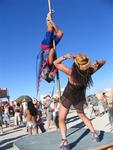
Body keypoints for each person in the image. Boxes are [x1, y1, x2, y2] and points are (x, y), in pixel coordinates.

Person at [54, 53, 105, 149]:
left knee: (61, 119)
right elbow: (103, 62)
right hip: (79, 97)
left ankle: (64, 141)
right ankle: (94, 133)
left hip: (68, 96)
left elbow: (55, 63)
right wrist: (97, 63)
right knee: (82, 115)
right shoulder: (89, 72)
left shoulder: (70, 71)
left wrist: (65, 57)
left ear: (76, 64)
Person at [40, 12, 63, 83]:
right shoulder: (53, 69)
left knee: (50, 30)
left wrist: (56, 57)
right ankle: (51, 22)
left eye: (52, 75)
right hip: (50, 46)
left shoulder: (48, 65)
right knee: (60, 33)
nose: (54, 75)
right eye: (54, 76)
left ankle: (48, 19)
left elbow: (52, 50)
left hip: (46, 46)